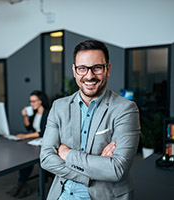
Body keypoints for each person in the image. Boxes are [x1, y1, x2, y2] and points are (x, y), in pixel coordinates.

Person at [40, 40, 140, 200]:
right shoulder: (59, 106)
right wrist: (91, 172)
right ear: (74, 70)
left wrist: (67, 154)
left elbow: (117, 169)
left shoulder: (125, 109)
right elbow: (46, 158)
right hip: (62, 194)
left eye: (97, 68)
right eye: (82, 68)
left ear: (108, 69)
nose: (89, 76)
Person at [7, 90, 50, 198]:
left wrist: (25, 136)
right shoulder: (34, 112)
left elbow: (43, 132)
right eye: (30, 101)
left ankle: (23, 183)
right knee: (24, 158)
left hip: (45, 141)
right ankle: (21, 183)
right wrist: (25, 116)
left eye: (33, 101)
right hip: (36, 141)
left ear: (40, 101)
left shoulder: (47, 112)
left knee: (30, 158)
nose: (31, 104)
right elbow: (28, 127)